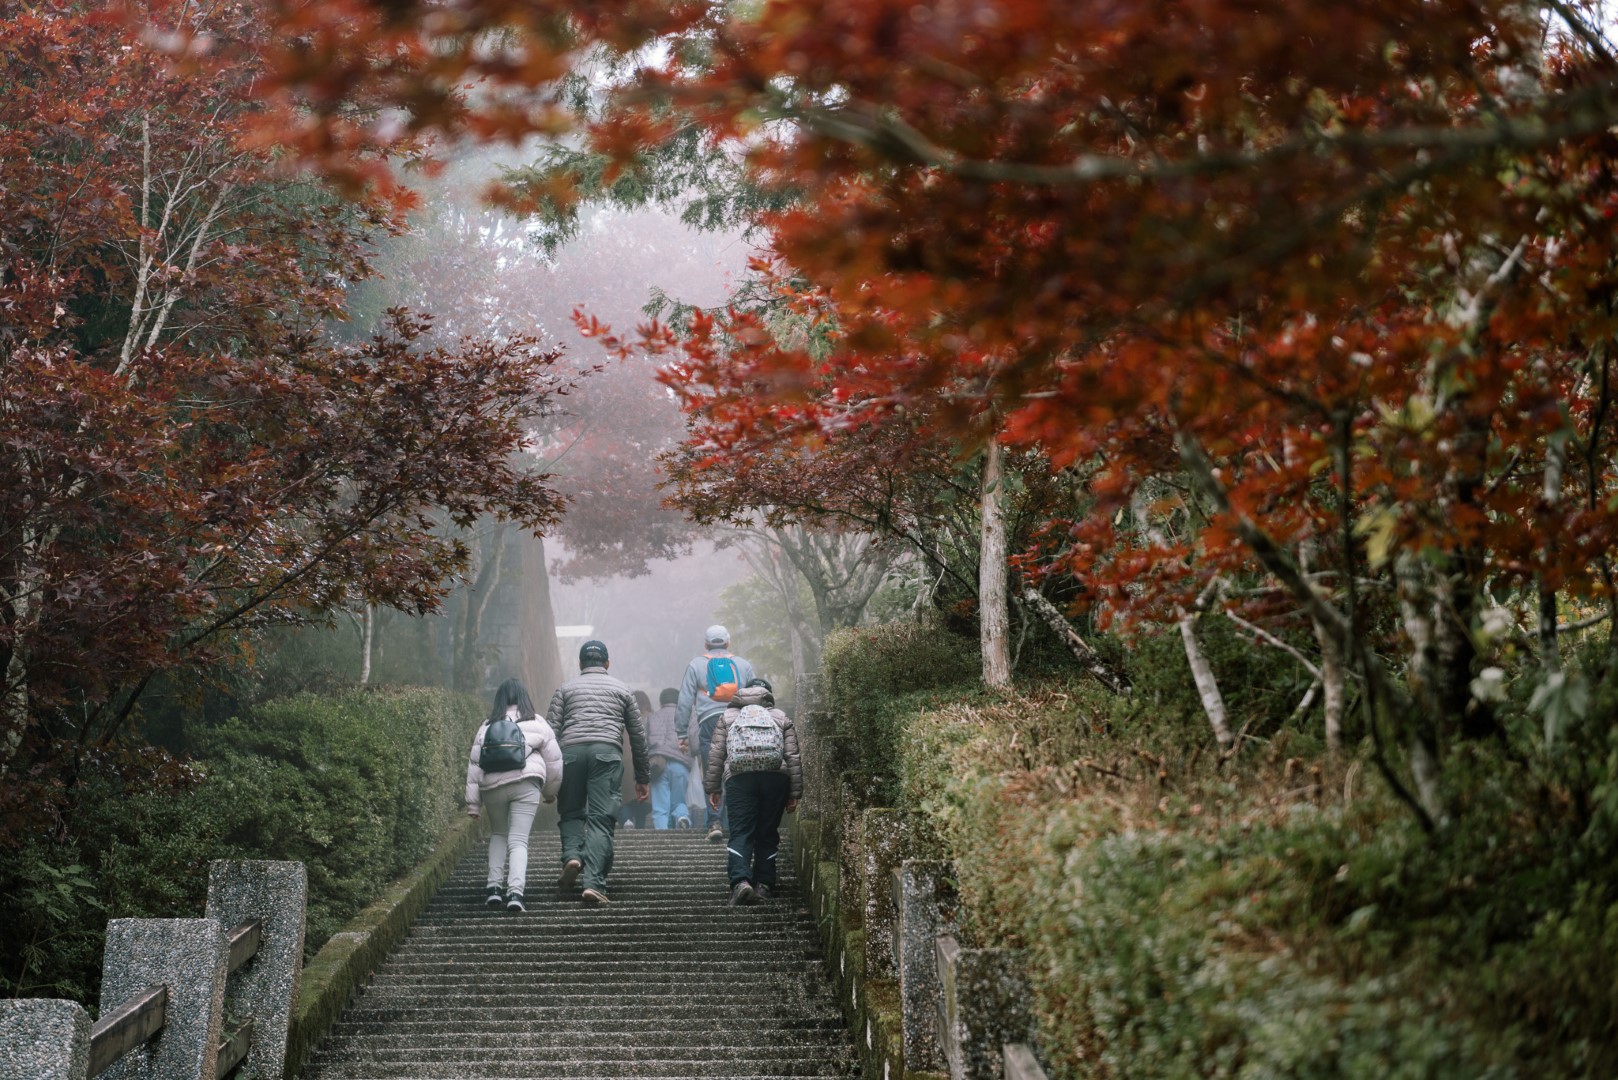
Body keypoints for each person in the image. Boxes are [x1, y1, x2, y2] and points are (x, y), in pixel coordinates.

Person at [547, 639, 650, 904]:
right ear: (607, 663)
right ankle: (593, 883)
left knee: (570, 811)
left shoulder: (565, 689)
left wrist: (548, 776)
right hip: (606, 753)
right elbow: (638, 737)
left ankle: (572, 855)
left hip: (569, 753)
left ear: (581, 664)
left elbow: (549, 734)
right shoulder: (622, 690)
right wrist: (642, 777)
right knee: (601, 819)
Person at [465, 678, 564, 914]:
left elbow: (475, 764)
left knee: (498, 833)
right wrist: (550, 793)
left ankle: (493, 888)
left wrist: (473, 804)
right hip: (526, 783)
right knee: (518, 840)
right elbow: (554, 761)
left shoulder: (487, 725)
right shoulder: (537, 722)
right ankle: (515, 893)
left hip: (493, 786)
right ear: (523, 698)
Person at [703, 677, 801, 907]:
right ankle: (764, 885)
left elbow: (716, 754)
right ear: (767, 695)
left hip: (739, 779)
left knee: (741, 832)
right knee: (767, 833)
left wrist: (713, 787)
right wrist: (794, 793)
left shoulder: (727, 717)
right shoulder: (780, 717)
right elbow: (793, 756)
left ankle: (740, 882)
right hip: (776, 778)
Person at [675, 624, 756, 841]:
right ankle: (740, 821)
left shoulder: (696, 665)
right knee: (739, 770)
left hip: (710, 722)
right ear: (728, 643)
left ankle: (715, 822)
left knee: (714, 773)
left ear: (706, 644)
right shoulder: (743, 665)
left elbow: (684, 701)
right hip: (739, 722)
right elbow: (757, 695)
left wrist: (682, 733)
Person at [642, 687, 691, 829]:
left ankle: (661, 835)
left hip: (658, 763)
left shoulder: (652, 717)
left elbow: (644, 743)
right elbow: (695, 741)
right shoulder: (687, 716)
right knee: (679, 799)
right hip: (680, 762)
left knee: (661, 805)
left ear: (661, 701)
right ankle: (682, 816)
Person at [619, 690, 654, 829]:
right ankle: (640, 829)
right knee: (642, 800)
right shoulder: (650, 718)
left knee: (625, 798)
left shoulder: (621, 720)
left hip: (624, 762)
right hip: (644, 762)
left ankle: (627, 819)